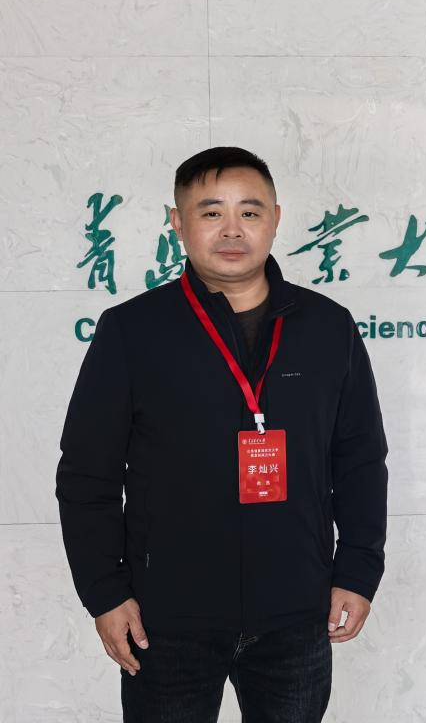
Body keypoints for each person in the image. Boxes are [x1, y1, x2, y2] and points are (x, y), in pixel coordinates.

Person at [55, 146, 389, 722]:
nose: (232, 229)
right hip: (166, 619)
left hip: (297, 612)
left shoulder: (327, 327)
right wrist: (105, 593)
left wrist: (358, 571)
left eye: (249, 212)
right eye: (211, 212)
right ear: (177, 222)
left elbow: (359, 459)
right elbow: (87, 474)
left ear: (275, 220)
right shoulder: (132, 331)